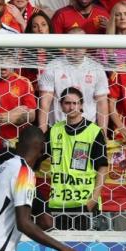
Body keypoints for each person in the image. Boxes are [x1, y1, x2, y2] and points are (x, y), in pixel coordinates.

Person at [47, 87, 109, 230]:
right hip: (58, 203)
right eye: (67, 103)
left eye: (75, 103)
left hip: (84, 203)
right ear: (61, 106)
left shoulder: (94, 132)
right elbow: (37, 154)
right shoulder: (54, 130)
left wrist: (93, 198)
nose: (72, 107)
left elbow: (103, 166)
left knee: (84, 248)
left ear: (81, 105)